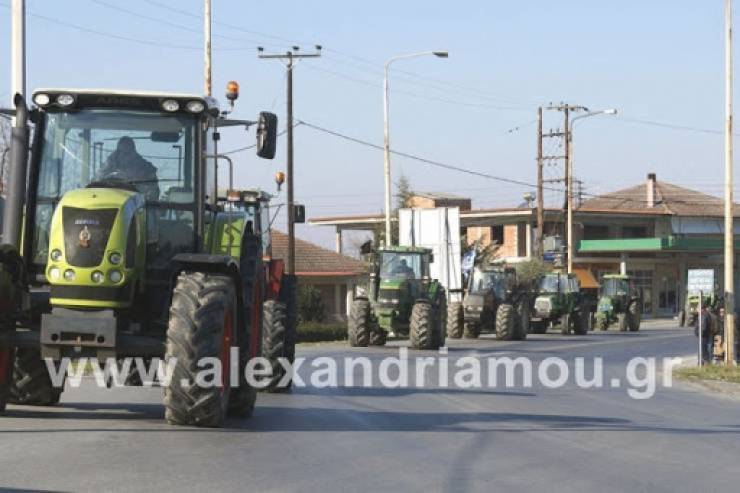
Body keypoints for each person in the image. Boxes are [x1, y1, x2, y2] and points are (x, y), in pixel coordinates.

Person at [97, 136, 159, 201]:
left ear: (133, 152)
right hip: (110, 204)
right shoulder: (110, 166)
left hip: (137, 207)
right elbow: (96, 181)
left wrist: (133, 183)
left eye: (127, 153)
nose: (123, 155)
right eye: (120, 151)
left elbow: (153, 196)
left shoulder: (146, 169)